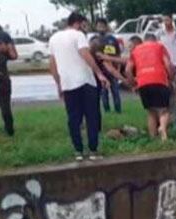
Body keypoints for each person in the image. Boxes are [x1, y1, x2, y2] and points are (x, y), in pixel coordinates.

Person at [48, 12, 109, 161]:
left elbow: (52, 64)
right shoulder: (78, 35)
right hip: (85, 81)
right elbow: (85, 54)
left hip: (67, 83)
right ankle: (93, 150)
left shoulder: (54, 38)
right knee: (92, 116)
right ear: (78, 23)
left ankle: (78, 151)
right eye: (84, 25)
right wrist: (99, 74)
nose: (85, 28)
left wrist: (58, 83)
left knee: (73, 118)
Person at [126, 33, 172, 141]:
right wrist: (170, 77)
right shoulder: (159, 47)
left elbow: (127, 70)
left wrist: (134, 83)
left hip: (143, 82)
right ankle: (162, 129)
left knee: (151, 111)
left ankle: (152, 137)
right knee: (164, 110)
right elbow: (167, 64)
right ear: (154, 40)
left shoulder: (135, 50)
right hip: (159, 80)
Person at [94, 18, 123, 114]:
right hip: (101, 70)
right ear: (96, 27)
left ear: (106, 27)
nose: (101, 28)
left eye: (103, 25)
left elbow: (118, 55)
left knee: (115, 91)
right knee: (103, 92)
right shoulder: (94, 40)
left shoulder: (112, 39)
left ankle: (118, 110)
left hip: (112, 70)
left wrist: (118, 69)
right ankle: (107, 111)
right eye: (99, 26)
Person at [156, 15, 176, 83]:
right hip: (165, 64)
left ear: (172, 20)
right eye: (164, 21)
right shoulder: (159, 34)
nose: (165, 22)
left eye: (167, 20)